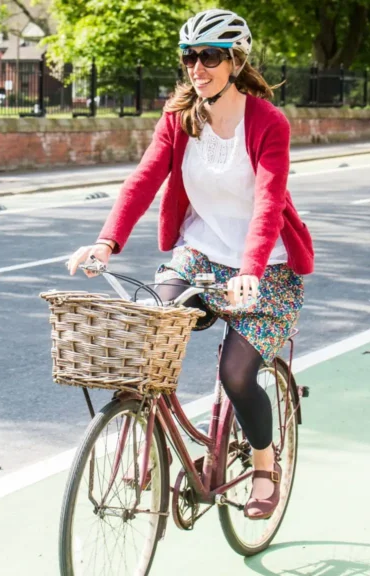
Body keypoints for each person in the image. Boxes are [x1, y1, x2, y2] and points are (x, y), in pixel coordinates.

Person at [66, 8, 313, 520]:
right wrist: (106, 242)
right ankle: (145, 436)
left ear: (236, 61)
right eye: (189, 57)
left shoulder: (268, 122)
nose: (197, 67)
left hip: (265, 268)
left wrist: (250, 270)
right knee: (152, 331)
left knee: (237, 374)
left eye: (210, 56)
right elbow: (142, 181)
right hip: (199, 255)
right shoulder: (180, 118)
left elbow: (269, 202)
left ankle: (265, 466)